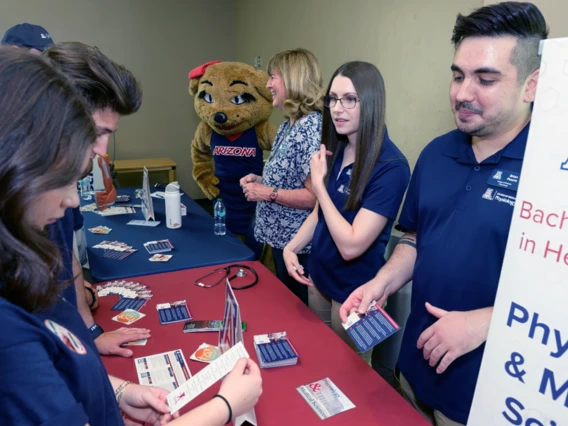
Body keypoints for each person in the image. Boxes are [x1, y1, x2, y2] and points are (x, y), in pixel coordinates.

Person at [0, 47, 262, 426]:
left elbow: (59, 363)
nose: (75, 198)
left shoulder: (23, 266)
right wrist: (223, 407)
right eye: (62, 180)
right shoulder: (8, 332)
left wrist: (117, 391)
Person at [340, 2, 548, 424]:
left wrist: (487, 322)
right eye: (457, 75)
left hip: (489, 396)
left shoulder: (552, 171)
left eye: (485, 79)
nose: (461, 93)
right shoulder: (435, 154)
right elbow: (416, 238)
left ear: (532, 85)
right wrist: (382, 280)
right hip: (413, 373)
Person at [283, 61, 410, 363]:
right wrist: (292, 247)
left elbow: (352, 245)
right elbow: (319, 214)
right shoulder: (337, 148)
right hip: (319, 280)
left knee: (351, 377)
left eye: (350, 99)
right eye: (333, 99)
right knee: (318, 359)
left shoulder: (391, 167)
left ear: (372, 103)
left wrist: (319, 186)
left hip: (356, 295)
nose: (337, 108)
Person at [44, 41, 150, 356]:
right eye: (96, 131)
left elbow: (67, 256)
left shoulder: (65, 173)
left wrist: (90, 329)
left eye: (108, 136)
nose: (102, 150)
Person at [240, 48, 323, 305]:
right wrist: (261, 180)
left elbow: (315, 197)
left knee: (300, 314)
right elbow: (289, 176)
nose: (268, 84)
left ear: (291, 79)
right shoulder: (289, 125)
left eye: (272, 77)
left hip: (299, 248)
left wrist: (267, 193)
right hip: (280, 242)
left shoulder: (310, 127)